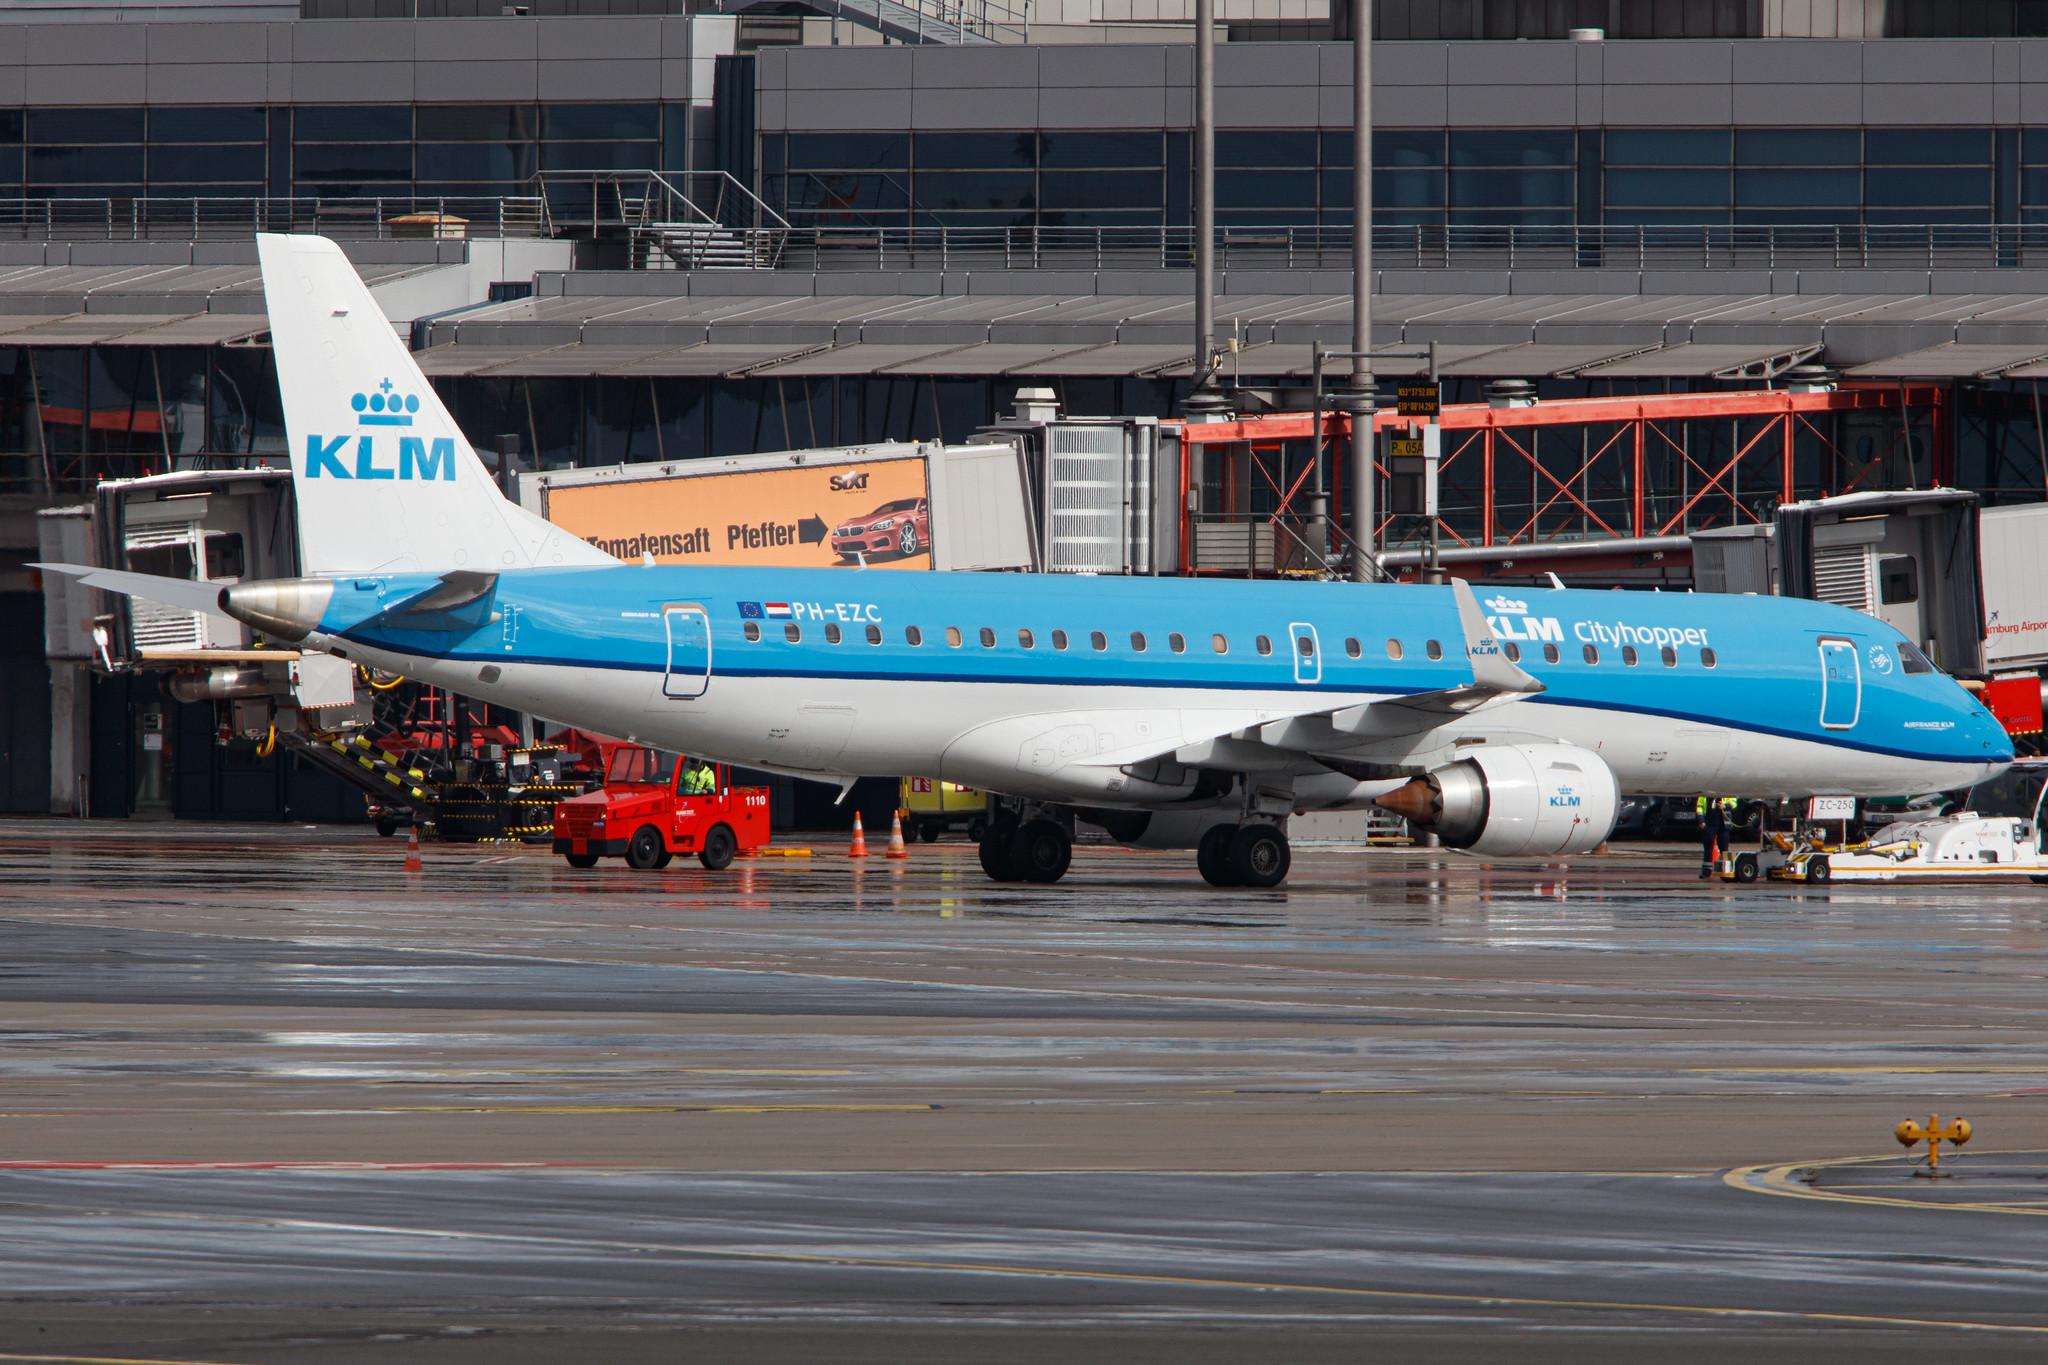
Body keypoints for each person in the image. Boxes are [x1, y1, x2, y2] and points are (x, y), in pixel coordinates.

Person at [1696, 794, 1736, 878]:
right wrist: (1701, 820)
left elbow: (1734, 803)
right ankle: (1706, 871)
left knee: (1724, 846)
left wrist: (1724, 806)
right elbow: (1699, 807)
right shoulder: (1705, 792)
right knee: (1708, 847)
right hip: (1709, 823)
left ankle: (1726, 872)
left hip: (1724, 824)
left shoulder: (1727, 790)